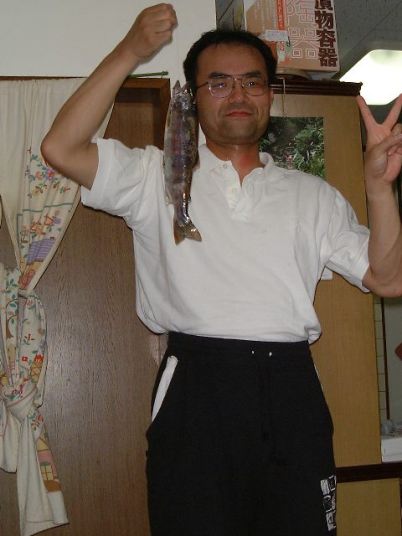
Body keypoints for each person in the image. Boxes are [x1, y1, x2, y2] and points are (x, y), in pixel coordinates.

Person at [41, 3, 402, 535]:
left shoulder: (314, 196)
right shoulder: (154, 175)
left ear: (270, 94)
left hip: (291, 385)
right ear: (193, 98)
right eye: (219, 83)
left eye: (252, 82)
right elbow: (61, 148)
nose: (237, 95)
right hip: (197, 386)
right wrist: (131, 51)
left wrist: (379, 189)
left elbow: (388, 278)